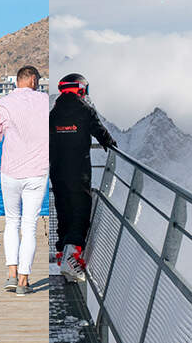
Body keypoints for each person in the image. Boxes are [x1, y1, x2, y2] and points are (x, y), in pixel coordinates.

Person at [0, 65, 51, 296]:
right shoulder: (46, 101)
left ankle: (11, 275)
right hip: (37, 172)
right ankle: (24, 281)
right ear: (33, 80)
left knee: (12, 222)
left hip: (10, 172)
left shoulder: (3, 103)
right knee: (29, 226)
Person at [47, 73, 114, 282]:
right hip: (79, 171)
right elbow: (100, 133)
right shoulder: (85, 111)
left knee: (63, 209)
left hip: (57, 171)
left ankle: (61, 253)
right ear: (82, 89)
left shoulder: (54, 113)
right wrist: (110, 143)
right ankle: (72, 258)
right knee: (80, 212)